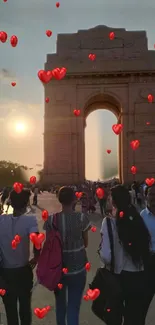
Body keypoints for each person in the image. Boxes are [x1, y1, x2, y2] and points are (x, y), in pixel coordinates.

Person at [100, 185, 150, 325]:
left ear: (114, 201)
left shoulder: (108, 223)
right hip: (139, 276)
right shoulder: (137, 217)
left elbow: (106, 257)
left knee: (115, 318)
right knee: (134, 319)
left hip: (119, 278)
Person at [43, 186, 91, 325]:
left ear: (59, 199)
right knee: (73, 307)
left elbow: (49, 245)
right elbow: (86, 243)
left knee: (60, 305)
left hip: (57, 270)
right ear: (75, 199)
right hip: (78, 269)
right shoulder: (82, 218)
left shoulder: (51, 220)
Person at [0, 188, 40, 325]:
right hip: (23, 270)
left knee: (10, 310)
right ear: (26, 204)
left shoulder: (1, 220)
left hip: (4, 272)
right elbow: (37, 241)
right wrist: (36, 257)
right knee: (24, 309)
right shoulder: (30, 220)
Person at [141, 184, 155, 312]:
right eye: (151, 194)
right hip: (149, 263)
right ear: (145, 196)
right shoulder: (141, 217)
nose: (153, 197)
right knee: (143, 303)